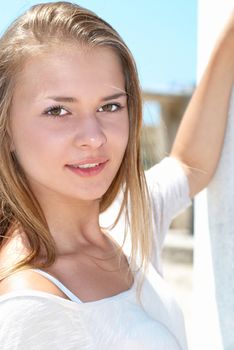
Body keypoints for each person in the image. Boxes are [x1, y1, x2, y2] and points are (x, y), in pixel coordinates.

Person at [0, 2, 233, 349]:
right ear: (7, 130)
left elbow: (189, 163)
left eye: (109, 106)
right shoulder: (29, 308)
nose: (94, 137)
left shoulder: (124, 223)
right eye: (58, 111)